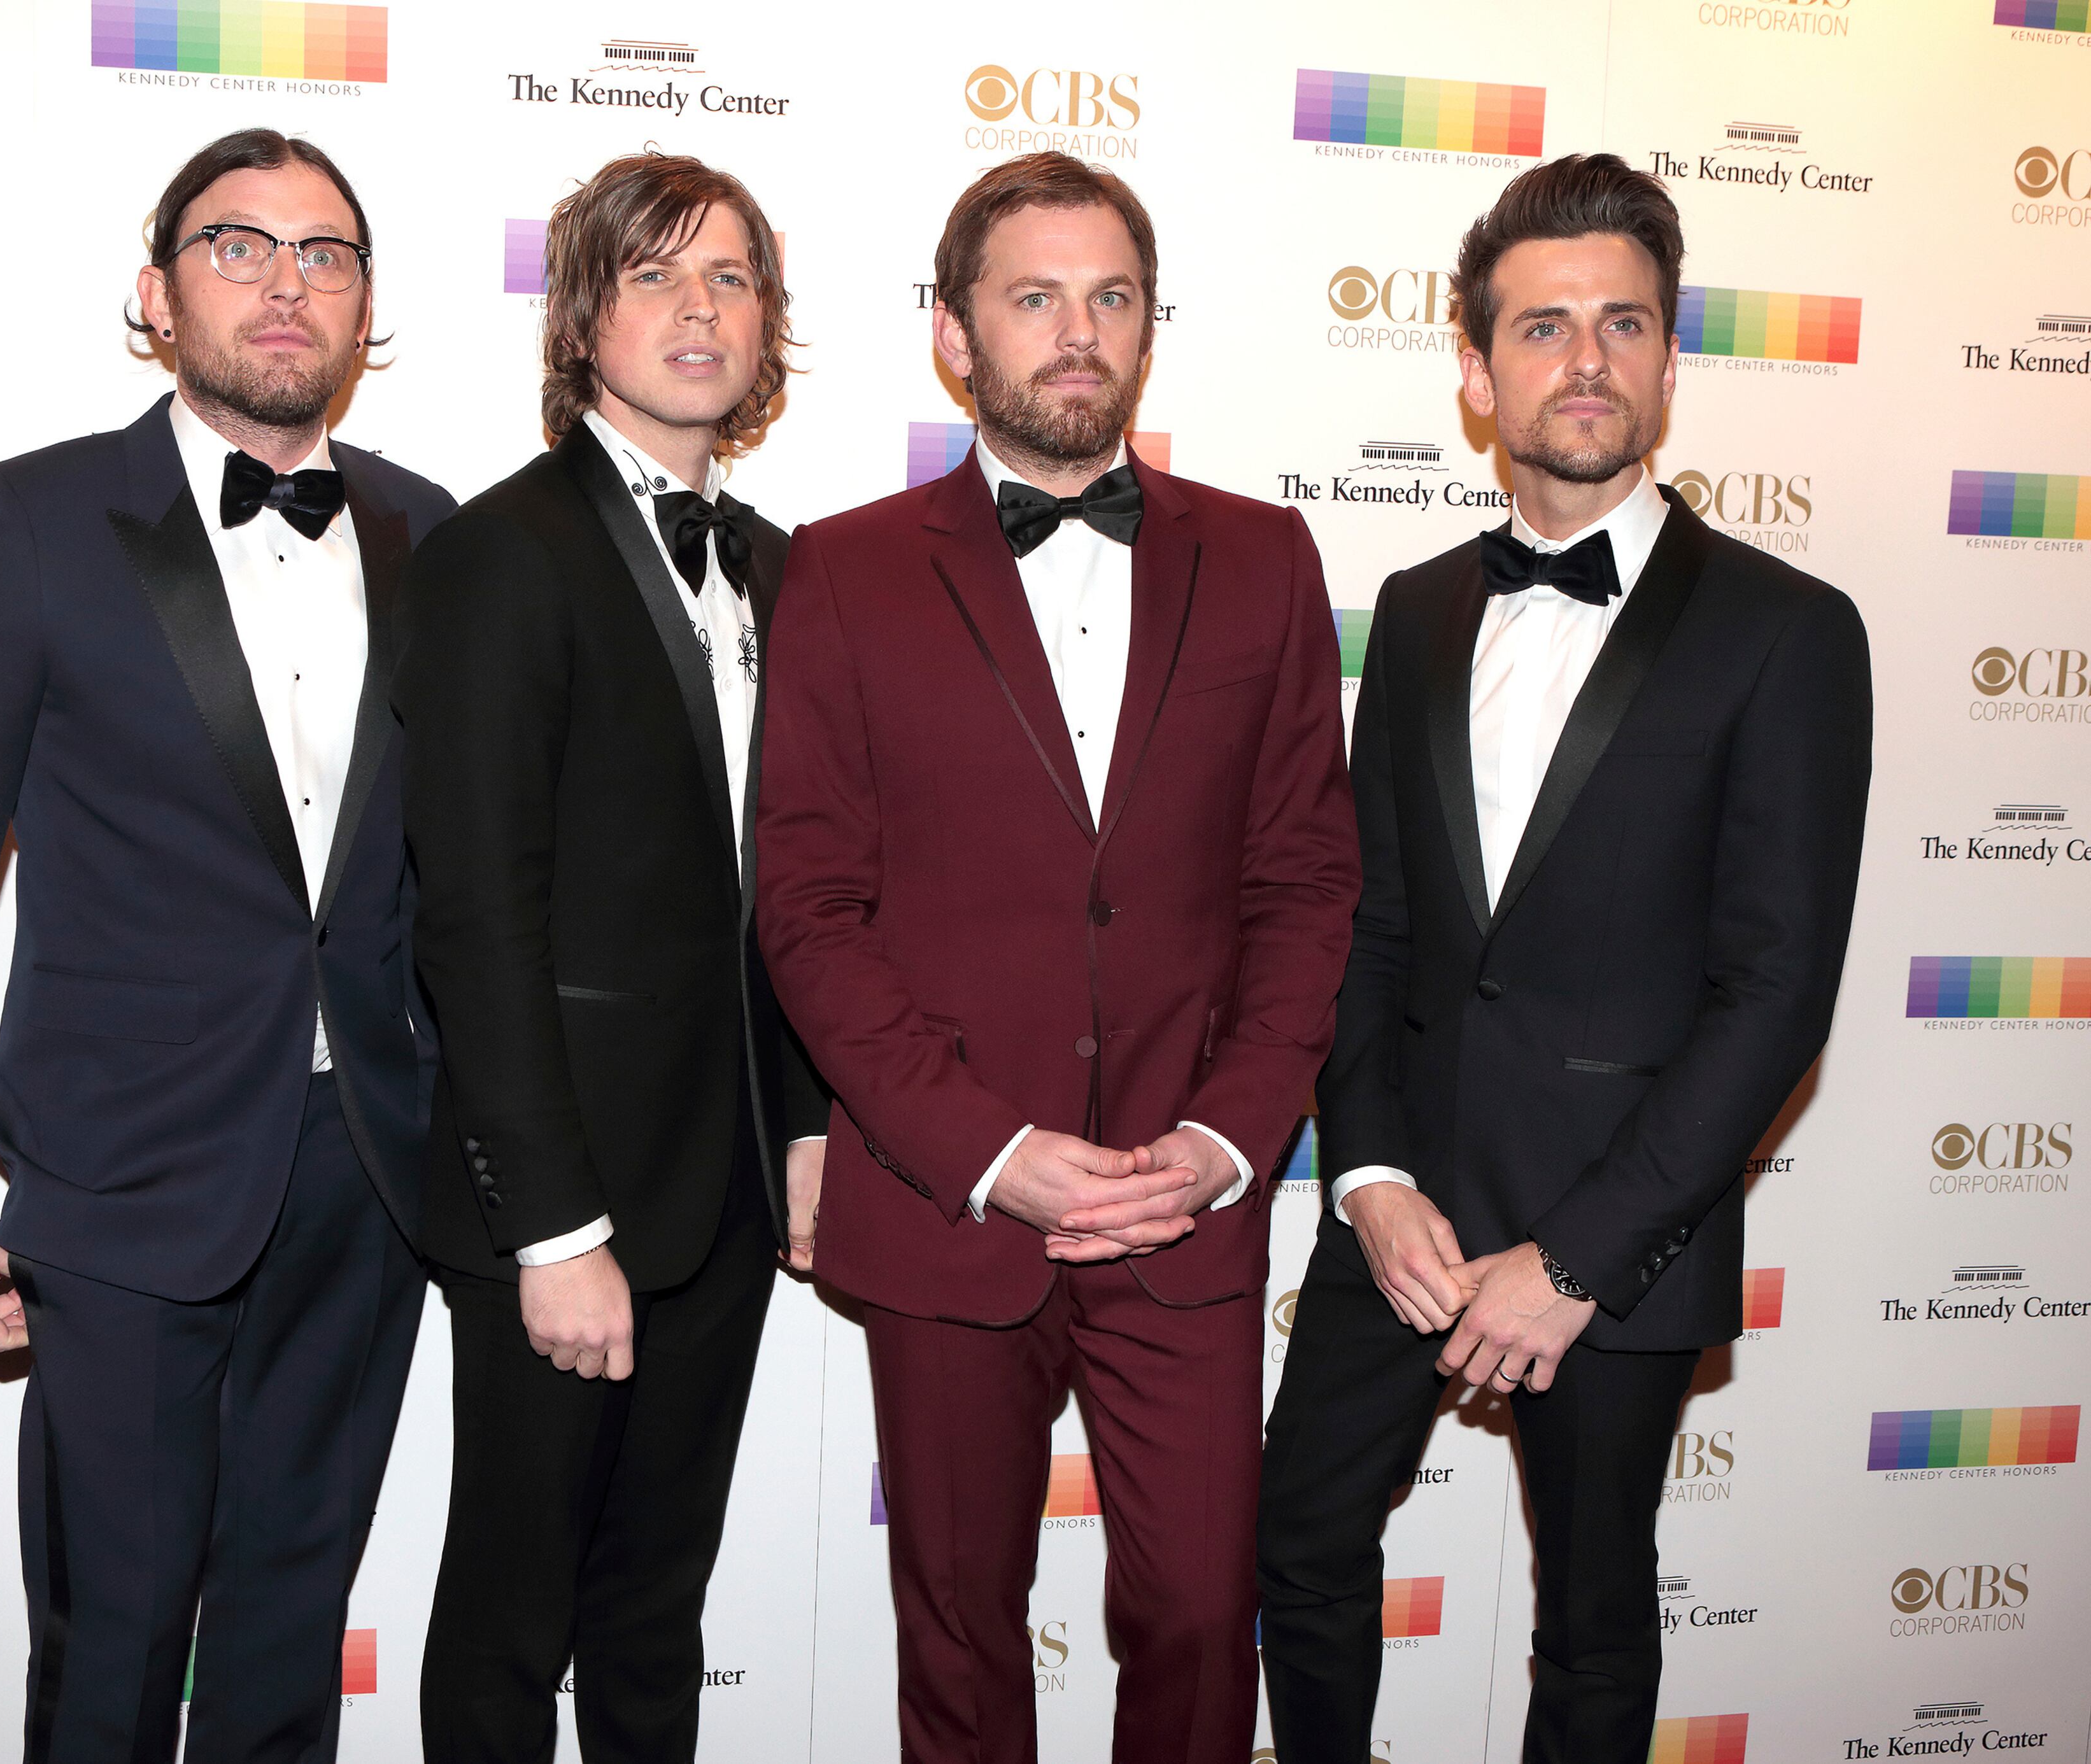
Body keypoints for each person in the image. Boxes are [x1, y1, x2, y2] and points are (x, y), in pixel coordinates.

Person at [0, 129, 454, 1764]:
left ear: (365, 304)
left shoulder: (431, 531)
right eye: (236, 245)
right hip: (122, 1179)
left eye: (324, 253)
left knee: (291, 1631)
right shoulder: (36, 521)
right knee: (110, 1649)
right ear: (157, 292)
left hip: (367, 1177)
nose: (285, 282)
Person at [1256, 153, 1871, 1762]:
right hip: (1405, 1210)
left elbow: (1776, 991)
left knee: (1590, 1626)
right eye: (1542, 327)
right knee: (1298, 1547)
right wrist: (1368, 1174)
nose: (1586, 360)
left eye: (1624, 324)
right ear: (1477, 372)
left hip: (1624, 1227)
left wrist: (1580, 1260)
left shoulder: (1789, 630)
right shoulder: (1415, 610)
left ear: (1668, 361)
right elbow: (1374, 924)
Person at [756, 152, 1359, 1764]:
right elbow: (809, 909)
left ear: (1150, 326)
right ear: (956, 335)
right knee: (960, 1631)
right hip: (947, 1207)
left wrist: (1226, 1141)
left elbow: (1306, 884)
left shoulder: (1268, 558)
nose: (1079, 332)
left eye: (1112, 298)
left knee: (1200, 1617)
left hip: (1183, 1206)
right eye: (1035, 298)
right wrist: (988, 1152)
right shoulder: (842, 569)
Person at [399, 152, 828, 1764]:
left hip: (729, 1194)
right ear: (583, 318)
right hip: (562, 1202)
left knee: (658, 1610)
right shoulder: (499, 552)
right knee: (511, 1624)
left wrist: (806, 1129)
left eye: (730, 277)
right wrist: (555, 1226)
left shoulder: (787, 566)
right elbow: (474, 916)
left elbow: (799, 896)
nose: (697, 309)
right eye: (653, 274)